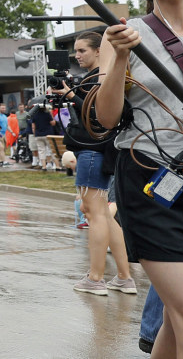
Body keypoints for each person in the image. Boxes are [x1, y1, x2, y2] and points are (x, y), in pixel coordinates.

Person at [95, 0, 183, 358]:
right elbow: (105, 116)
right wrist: (120, 57)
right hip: (151, 182)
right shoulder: (124, 34)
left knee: (179, 325)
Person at [59, 31, 135, 296]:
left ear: (99, 50)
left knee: (94, 214)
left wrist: (70, 95)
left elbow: (98, 116)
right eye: (75, 52)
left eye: (82, 51)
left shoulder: (100, 77)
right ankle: (124, 277)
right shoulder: (98, 77)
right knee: (103, 214)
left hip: (92, 150)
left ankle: (96, 278)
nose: (77, 56)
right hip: (98, 151)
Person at [29, 102, 59, 170]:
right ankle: (57, 165)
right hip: (47, 134)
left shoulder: (34, 115)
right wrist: (52, 116)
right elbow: (53, 123)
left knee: (41, 151)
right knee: (52, 150)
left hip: (38, 135)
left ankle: (43, 166)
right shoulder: (47, 114)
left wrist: (35, 134)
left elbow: (33, 126)